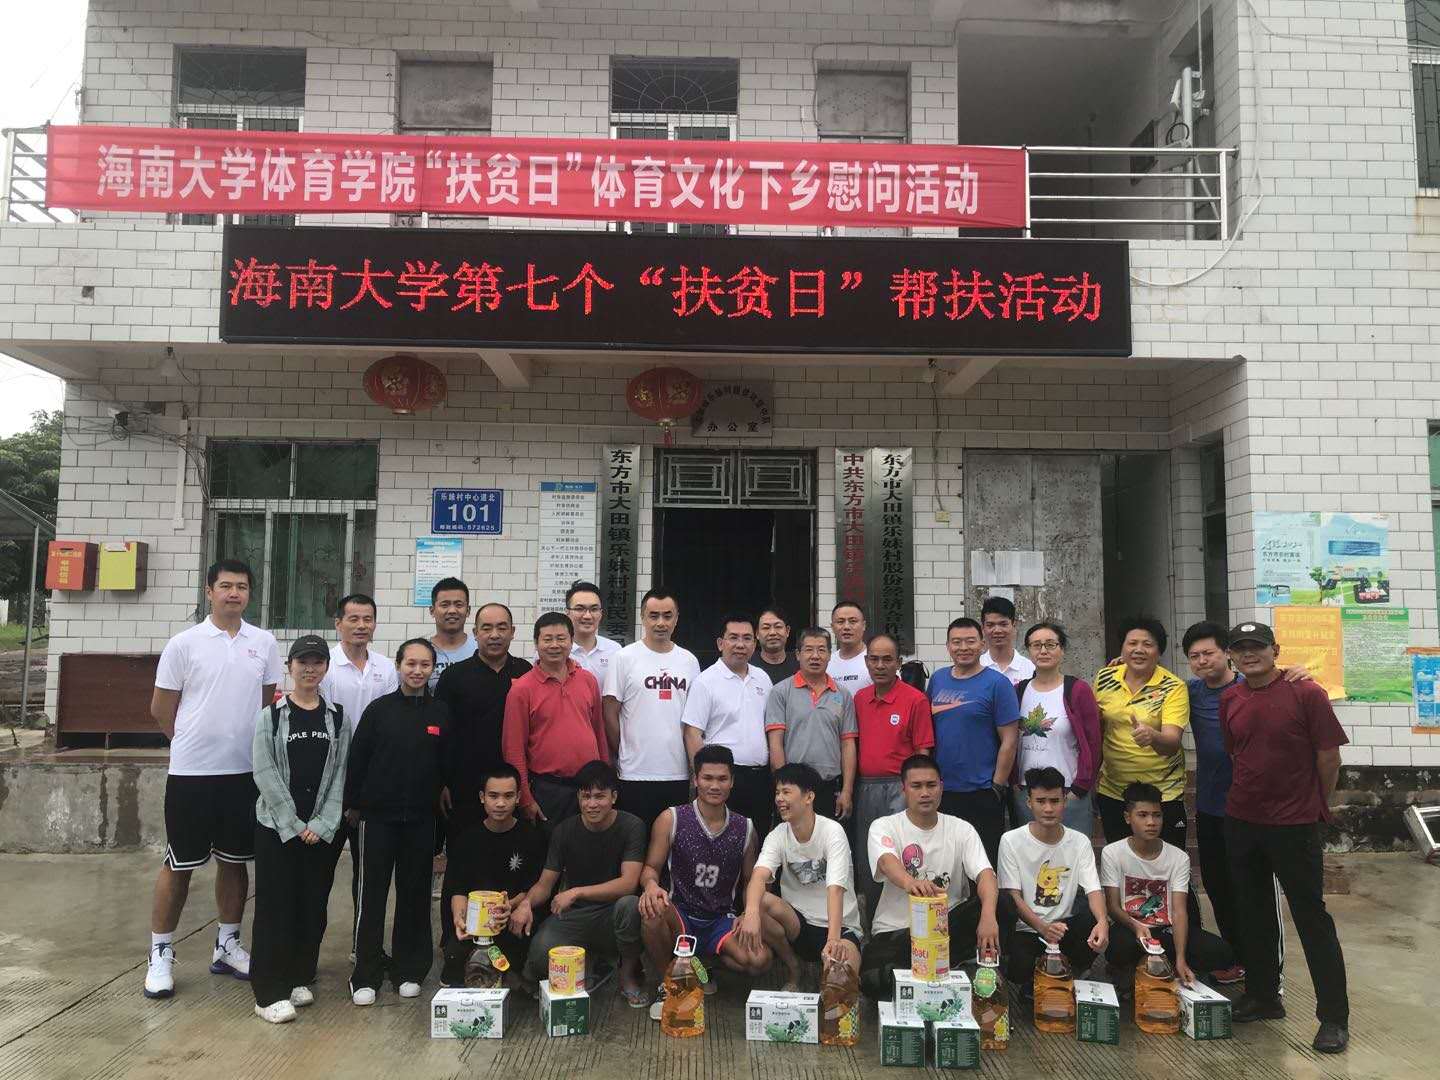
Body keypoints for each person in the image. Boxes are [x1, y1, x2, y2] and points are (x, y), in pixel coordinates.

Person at [144, 558, 283, 1000]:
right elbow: (161, 709)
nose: (234, 593)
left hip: (243, 773)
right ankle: (160, 953)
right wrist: (188, 741)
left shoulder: (264, 643)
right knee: (179, 864)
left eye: (242, 586)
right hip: (192, 774)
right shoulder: (184, 644)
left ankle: (227, 945)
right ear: (209, 592)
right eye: (225, 586)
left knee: (235, 861)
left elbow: (266, 706)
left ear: (249, 594)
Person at [1221, 621, 1350, 1054]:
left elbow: (1328, 757)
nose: (1249, 654)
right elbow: (1237, 752)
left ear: (1275, 650)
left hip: (1295, 825)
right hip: (1243, 820)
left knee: (1311, 918)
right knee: (1253, 912)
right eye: (1240, 647)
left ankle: (1333, 1017)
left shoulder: (1307, 693)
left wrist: (1316, 806)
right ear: (1232, 655)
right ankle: (1263, 996)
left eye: (1257, 646)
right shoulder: (1230, 698)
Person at [249, 635, 350, 1024]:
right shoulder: (271, 716)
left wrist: (322, 824)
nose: (310, 669)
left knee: (311, 906)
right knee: (276, 907)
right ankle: (268, 992)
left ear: (326, 668)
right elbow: (264, 772)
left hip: (320, 831)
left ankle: (296, 977)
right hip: (277, 829)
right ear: (289, 666)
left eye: (317, 662)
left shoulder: (338, 717)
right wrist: (292, 824)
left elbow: (341, 772)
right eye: (302, 662)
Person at [345, 639, 451, 1005]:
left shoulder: (440, 713)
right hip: (377, 819)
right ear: (398, 666)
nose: (417, 671)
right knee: (371, 895)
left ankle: (410, 970)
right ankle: (365, 974)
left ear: (433, 669)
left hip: (421, 820)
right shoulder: (379, 710)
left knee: (415, 895)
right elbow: (358, 760)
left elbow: (446, 764)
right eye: (411, 664)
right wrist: (353, 805)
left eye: (425, 665)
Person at [638, 745, 769, 1018]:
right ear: (695, 779)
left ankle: (701, 966)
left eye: (722, 778)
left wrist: (748, 913)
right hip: (680, 913)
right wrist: (651, 886)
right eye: (707, 778)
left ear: (732, 781)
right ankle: (669, 983)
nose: (715, 785)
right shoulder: (672, 818)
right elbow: (650, 868)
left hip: (720, 918)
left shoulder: (745, 828)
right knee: (653, 910)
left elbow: (750, 881)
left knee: (758, 960)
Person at [859, 755, 1000, 1000]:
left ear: (941, 787)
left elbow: (985, 873)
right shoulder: (884, 826)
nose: (925, 793)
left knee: (1002, 904)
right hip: (899, 931)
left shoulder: (961, 829)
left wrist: (988, 916)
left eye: (931, 785)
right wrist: (910, 882)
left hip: (946, 929)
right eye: (916, 786)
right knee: (872, 980)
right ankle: (937, 972)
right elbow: (886, 862)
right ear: (904, 789)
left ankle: (967, 967)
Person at [521, 760, 646, 1006]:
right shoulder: (564, 831)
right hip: (575, 915)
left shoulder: (632, 826)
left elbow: (629, 883)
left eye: (599, 796)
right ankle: (592, 963)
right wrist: (526, 903)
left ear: (614, 797)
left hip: (613, 912)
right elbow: (545, 884)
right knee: (540, 957)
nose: (592, 804)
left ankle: (628, 972)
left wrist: (577, 891)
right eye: (586, 796)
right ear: (578, 797)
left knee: (631, 905)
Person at [736, 763, 864, 990]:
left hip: (840, 927)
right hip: (798, 925)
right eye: (777, 792)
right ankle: (794, 966)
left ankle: (832, 973)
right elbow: (758, 877)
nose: (779, 798)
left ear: (809, 797)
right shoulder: (778, 834)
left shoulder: (832, 831)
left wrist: (833, 941)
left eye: (786, 792)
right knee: (757, 900)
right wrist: (751, 914)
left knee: (839, 985)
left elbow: (835, 888)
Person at [1101, 782, 1234, 992]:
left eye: (1157, 815)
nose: (1151, 822)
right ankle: (1130, 968)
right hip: (1132, 929)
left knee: (1220, 953)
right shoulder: (1112, 853)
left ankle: (1172, 965)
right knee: (1117, 947)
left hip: (1166, 930)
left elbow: (1179, 911)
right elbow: (1113, 906)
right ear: (1128, 817)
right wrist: (1136, 926)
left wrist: (1181, 958)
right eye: (1142, 815)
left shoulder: (1178, 857)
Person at [319, 594, 398, 946]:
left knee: (369, 875)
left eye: (368, 619)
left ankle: (362, 947)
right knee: (319, 872)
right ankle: (307, 950)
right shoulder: (326, 666)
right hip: (329, 783)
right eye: (353, 619)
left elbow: (391, 723)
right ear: (338, 624)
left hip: (373, 784)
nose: (361, 625)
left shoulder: (386, 668)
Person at [1182, 620, 1249, 984]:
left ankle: (1259, 961)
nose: (1202, 661)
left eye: (1208, 653)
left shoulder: (1248, 688)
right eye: (1194, 656)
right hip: (1209, 805)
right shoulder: (1191, 691)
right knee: (1217, 884)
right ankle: (1233, 955)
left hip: (1248, 806)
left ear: (1227, 653)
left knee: (1246, 887)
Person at [997, 767, 1109, 985]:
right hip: (1028, 929)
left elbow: (1094, 890)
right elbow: (1013, 895)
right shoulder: (1011, 840)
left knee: (1092, 918)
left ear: (1064, 802)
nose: (1048, 808)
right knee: (1021, 975)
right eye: (1041, 801)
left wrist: (1103, 922)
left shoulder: (1079, 842)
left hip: (1064, 928)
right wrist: (1042, 927)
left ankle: (1077, 969)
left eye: (1054, 801)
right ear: (1029, 802)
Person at [603, 588, 702, 832]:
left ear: (676, 618)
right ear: (642, 617)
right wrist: (623, 749)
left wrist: (694, 768)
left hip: (676, 772)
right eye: (653, 615)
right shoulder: (623, 658)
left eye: (667, 616)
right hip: (634, 772)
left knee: (672, 842)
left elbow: (694, 720)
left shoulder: (689, 661)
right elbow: (610, 713)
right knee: (636, 841)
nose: (660, 623)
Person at [442, 764, 548, 989]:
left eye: (508, 796)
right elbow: (458, 890)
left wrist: (511, 906)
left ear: (518, 797)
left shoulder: (532, 837)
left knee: (527, 951)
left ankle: (517, 975)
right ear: (482, 797)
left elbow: (533, 887)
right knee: (454, 958)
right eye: (493, 796)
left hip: (512, 919)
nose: (500, 803)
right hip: (478, 926)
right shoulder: (467, 839)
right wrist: (460, 919)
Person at [852, 633, 934, 913]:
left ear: (898, 663)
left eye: (887, 659)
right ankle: (874, 920)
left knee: (904, 852)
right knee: (869, 855)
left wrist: (918, 790)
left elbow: (923, 751)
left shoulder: (915, 700)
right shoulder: (859, 699)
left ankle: (907, 918)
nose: (880, 665)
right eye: (874, 659)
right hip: (866, 788)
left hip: (901, 788)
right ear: (866, 662)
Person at [927, 617, 1019, 866]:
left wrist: (996, 786)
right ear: (948, 646)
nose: (963, 648)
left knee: (983, 863)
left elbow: (1010, 740)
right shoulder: (937, 680)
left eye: (970, 641)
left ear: (982, 644)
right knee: (946, 863)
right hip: (944, 790)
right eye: (956, 642)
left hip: (982, 790)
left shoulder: (997, 684)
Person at [502, 612, 610, 826]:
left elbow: (599, 733)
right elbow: (513, 749)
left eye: (561, 638)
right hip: (548, 789)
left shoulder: (587, 680)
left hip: (589, 788)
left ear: (571, 641)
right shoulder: (522, 689)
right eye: (547, 639)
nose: (554, 645)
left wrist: (606, 782)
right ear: (536, 643)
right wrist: (525, 797)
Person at [1092, 617, 1190, 849]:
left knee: (1165, 862)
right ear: (1122, 648)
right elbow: (1098, 729)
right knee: (1120, 861)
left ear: (1159, 651)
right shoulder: (1105, 677)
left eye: (1147, 644)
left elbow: (1172, 742)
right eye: (1132, 643)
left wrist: (1153, 736)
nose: (1139, 650)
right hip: (1114, 791)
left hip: (1162, 793)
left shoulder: (1173, 687)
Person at [435, 603, 531, 835]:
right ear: (475, 633)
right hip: (464, 786)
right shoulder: (454, 676)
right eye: (486, 628)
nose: (494, 635)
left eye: (502, 628)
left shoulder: (525, 672)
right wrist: (441, 782)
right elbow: (440, 734)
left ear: (513, 632)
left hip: (513, 786)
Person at [681, 614, 775, 836]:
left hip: (760, 778)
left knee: (757, 838)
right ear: (720, 643)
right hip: (722, 778)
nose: (740, 644)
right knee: (722, 839)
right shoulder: (705, 681)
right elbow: (692, 733)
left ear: (755, 644)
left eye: (747, 638)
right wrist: (703, 777)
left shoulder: (763, 678)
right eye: (733, 638)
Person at [1011, 621, 1101, 834]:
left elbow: (1094, 742)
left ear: (1062, 649)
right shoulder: (1018, 691)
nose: (1043, 650)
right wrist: (1014, 782)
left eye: (1050, 644)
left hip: (1068, 793)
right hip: (1028, 793)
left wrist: (1080, 787)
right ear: (1029, 650)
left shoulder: (1077, 690)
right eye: (1036, 645)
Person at [765, 627, 857, 821]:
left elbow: (848, 744)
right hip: (794, 789)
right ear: (798, 654)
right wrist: (783, 788)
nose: (815, 656)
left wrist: (847, 791)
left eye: (822, 650)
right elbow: (775, 744)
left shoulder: (843, 694)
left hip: (830, 786)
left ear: (830, 655)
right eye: (808, 650)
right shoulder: (781, 691)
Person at [562, 580, 621, 683]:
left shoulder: (614, 650)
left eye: (594, 609)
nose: (587, 616)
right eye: (580, 609)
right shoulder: (556, 650)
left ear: (601, 613)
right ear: (567, 612)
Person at [427, 577, 476, 689]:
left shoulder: (480, 648)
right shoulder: (422, 651)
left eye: (459, 605)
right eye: (445, 605)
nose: (452, 611)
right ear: (432, 611)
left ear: (468, 610)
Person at [979, 595, 1036, 685]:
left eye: (1003, 624)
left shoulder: (1030, 669)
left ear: (1014, 625)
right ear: (983, 628)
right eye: (990, 625)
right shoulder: (975, 667)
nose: (997, 630)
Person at [826, 600, 872, 694]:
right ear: (832, 627)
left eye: (853, 621)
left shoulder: (876, 661)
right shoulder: (827, 663)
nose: (846, 627)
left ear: (864, 625)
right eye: (840, 622)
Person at [753, 605, 799, 683]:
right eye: (766, 628)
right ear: (757, 634)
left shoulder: (800, 664)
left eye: (778, 627)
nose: (772, 633)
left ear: (787, 631)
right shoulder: (748, 665)